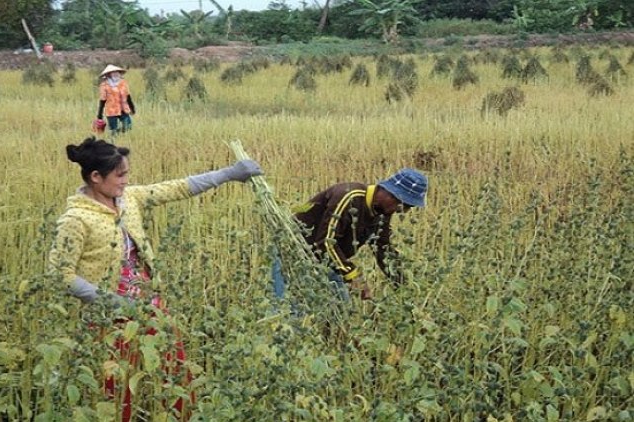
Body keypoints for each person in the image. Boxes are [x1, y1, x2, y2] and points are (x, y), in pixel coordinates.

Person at [48, 136, 262, 421]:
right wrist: (110, 302)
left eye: (127, 174)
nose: (125, 181)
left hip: (150, 304)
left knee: (176, 371)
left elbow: (176, 188)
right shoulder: (76, 219)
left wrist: (228, 174)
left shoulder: (128, 200)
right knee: (116, 385)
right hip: (108, 316)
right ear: (96, 177)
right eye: (119, 175)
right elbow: (60, 274)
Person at [273, 168, 428, 301]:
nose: (403, 211)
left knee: (339, 310)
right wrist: (353, 275)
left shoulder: (382, 212)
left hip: (327, 260)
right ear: (390, 194)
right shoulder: (348, 197)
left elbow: (383, 250)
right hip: (293, 253)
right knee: (289, 312)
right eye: (404, 205)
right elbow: (326, 242)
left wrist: (404, 288)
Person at [96, 65, 135, 135]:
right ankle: (112, 138)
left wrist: (132, 108)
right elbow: (102, 101)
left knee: (128, 126)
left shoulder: (123, 83)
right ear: (108, 75)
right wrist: (99, 116)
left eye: (117, 72)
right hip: (111, 111)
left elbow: (128, 96)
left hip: (123, 109)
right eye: (113, 73)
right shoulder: (104, 85)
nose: (116, 74)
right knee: (113, 130)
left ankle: (116, 132)